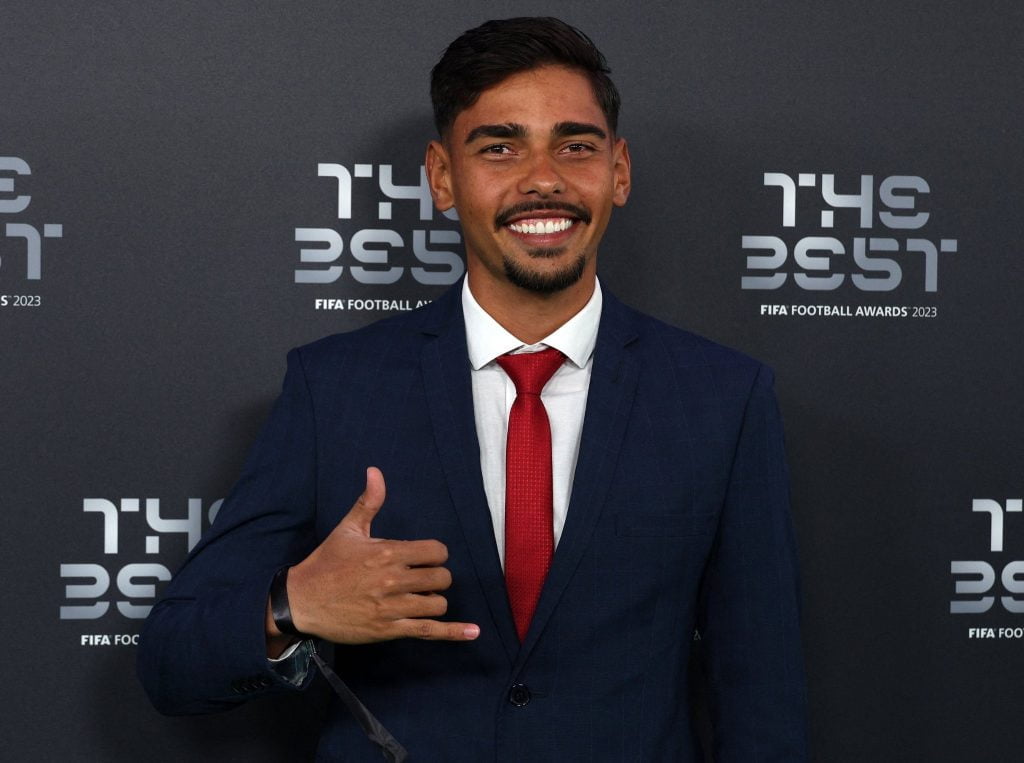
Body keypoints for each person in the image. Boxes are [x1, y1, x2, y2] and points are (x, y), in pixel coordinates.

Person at [139, 17, 808, 761]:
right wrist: (292, 604)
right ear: (442, 177)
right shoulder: (334, 389)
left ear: (619, 171)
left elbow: (764, 697)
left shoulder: (723, 397)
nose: (544, 178)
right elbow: (172, 662)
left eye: (575, 146)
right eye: (500, 147)